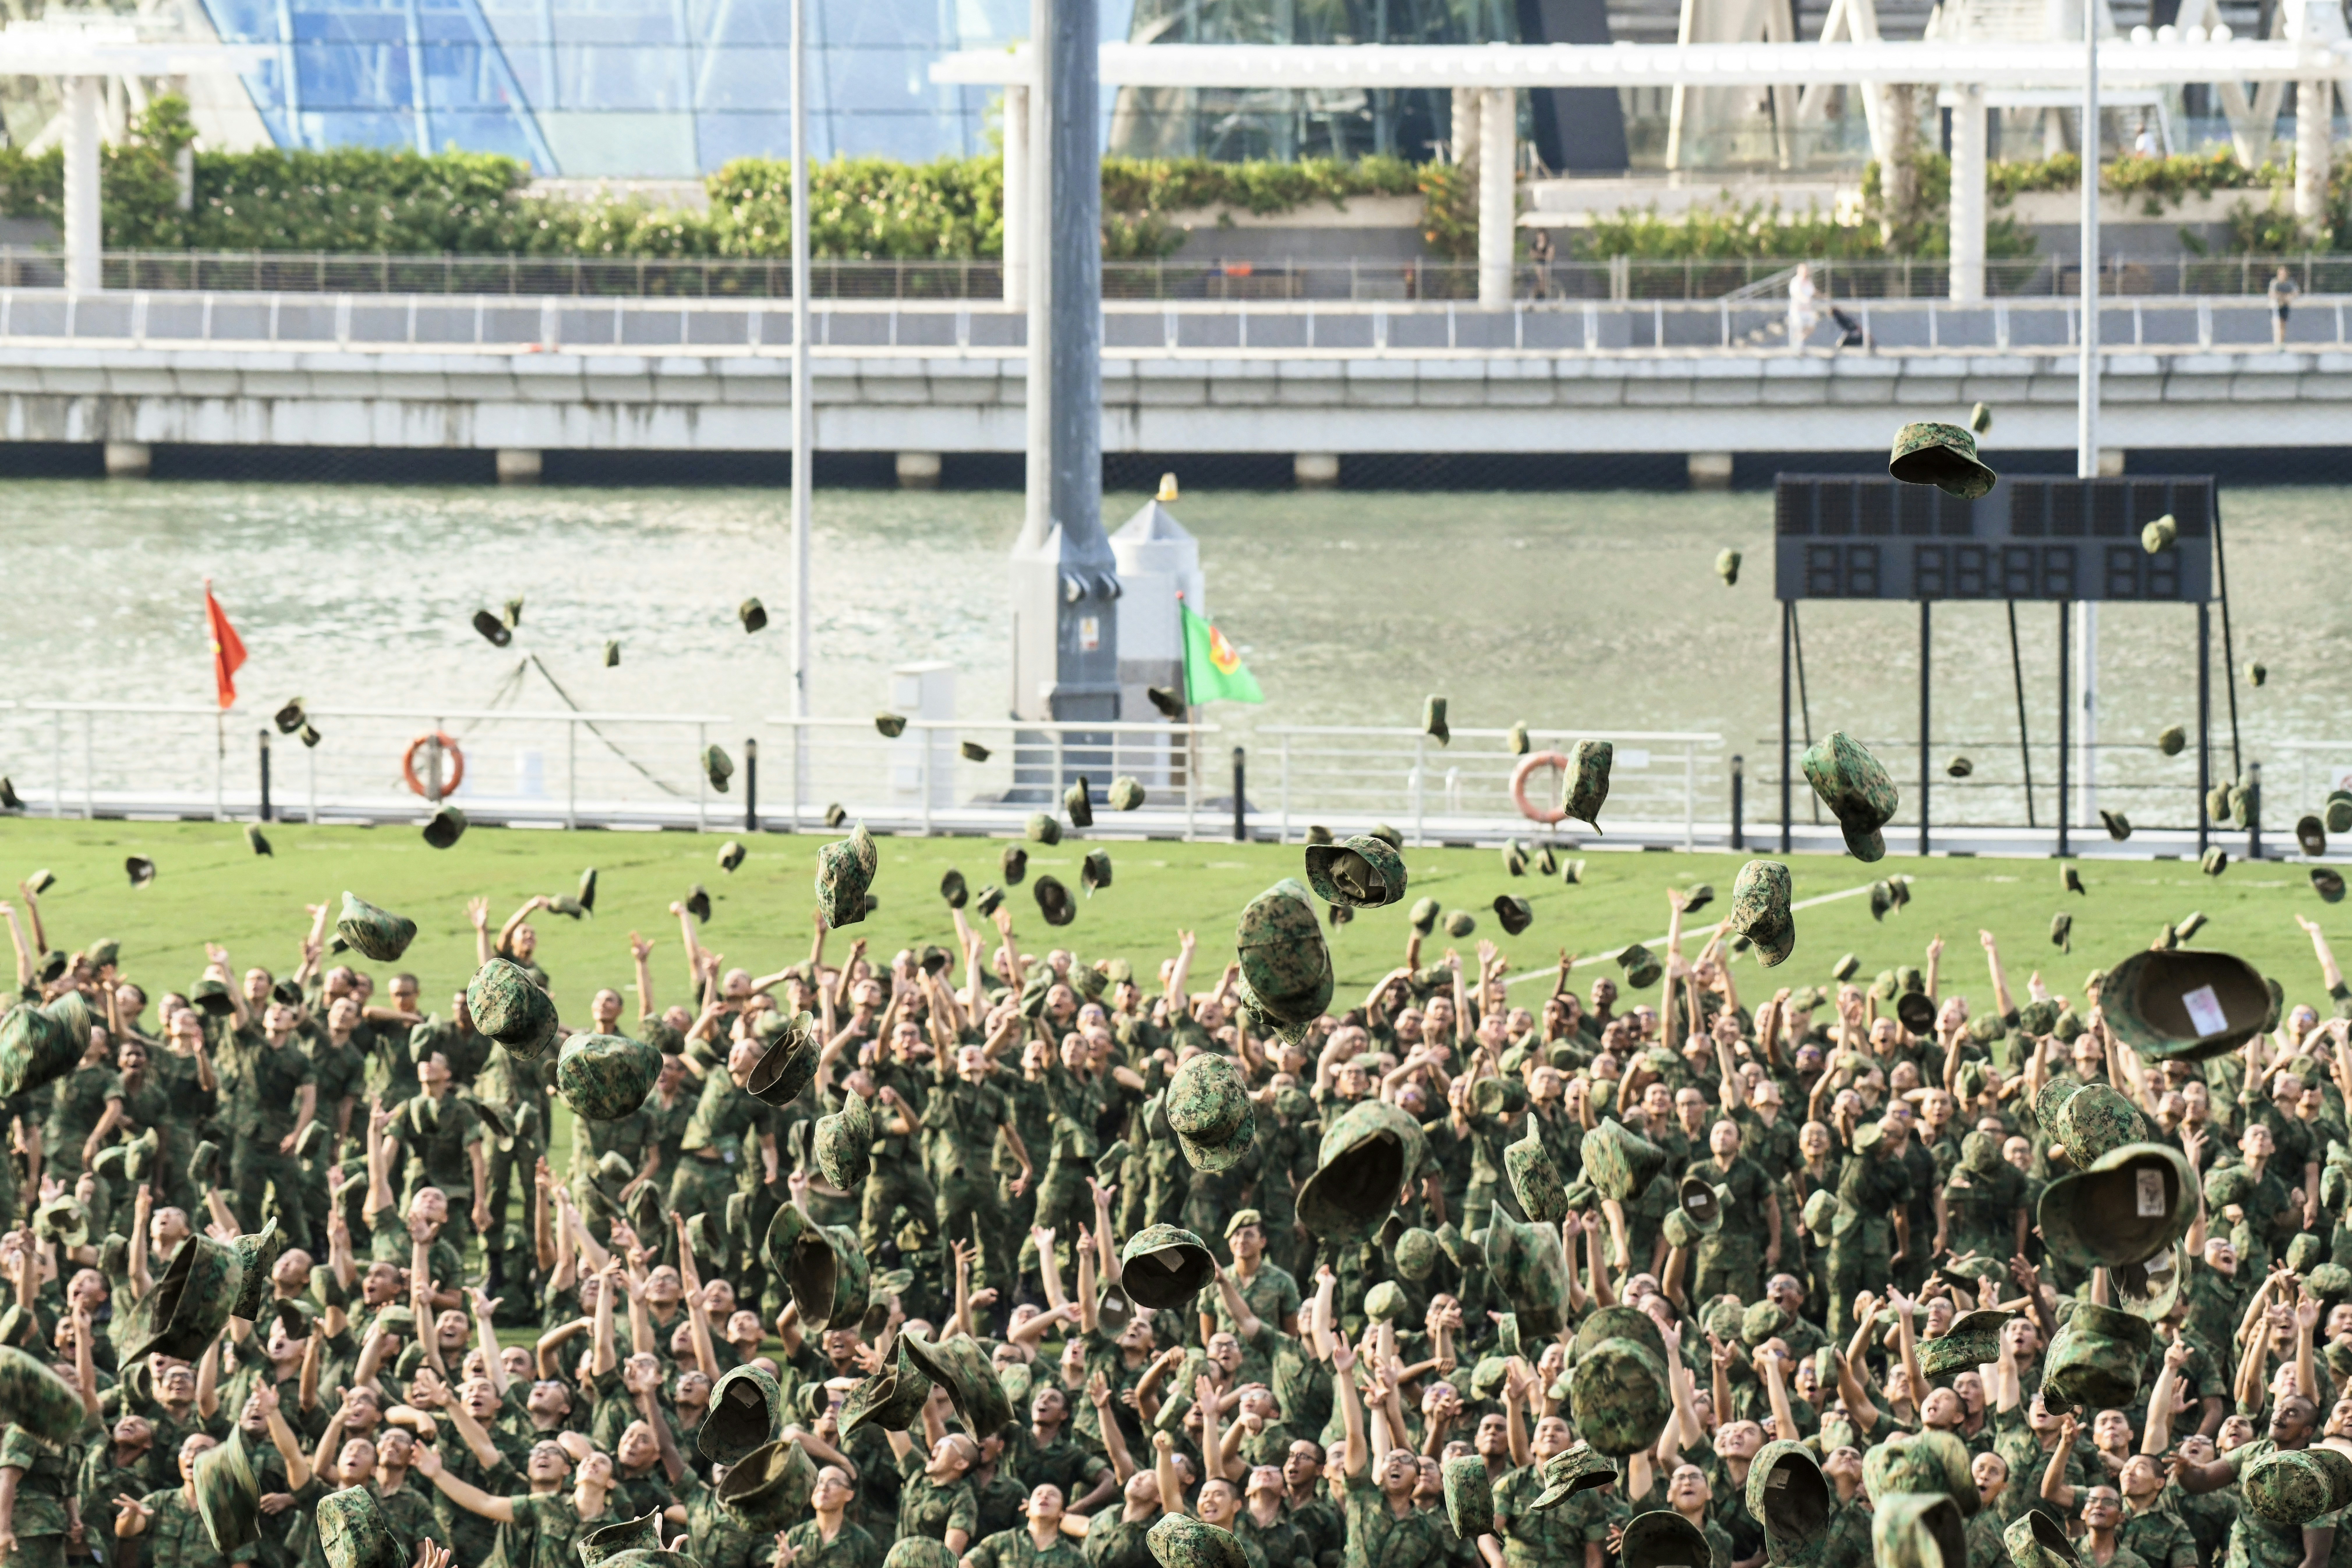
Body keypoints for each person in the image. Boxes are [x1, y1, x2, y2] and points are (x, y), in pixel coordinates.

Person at [2270, 264, 2299, 346]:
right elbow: (2272, 294)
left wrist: (2286, 298)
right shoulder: (2275, 283)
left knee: (2283, 325)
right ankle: (2276, 343)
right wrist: (2282, 297)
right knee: (2276, 325)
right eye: (2281, 274)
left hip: (2285, 307)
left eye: (2284, 274)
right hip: (2275, 308)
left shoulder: (2290, 284)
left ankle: (2281, 344)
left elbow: (2296, 293)